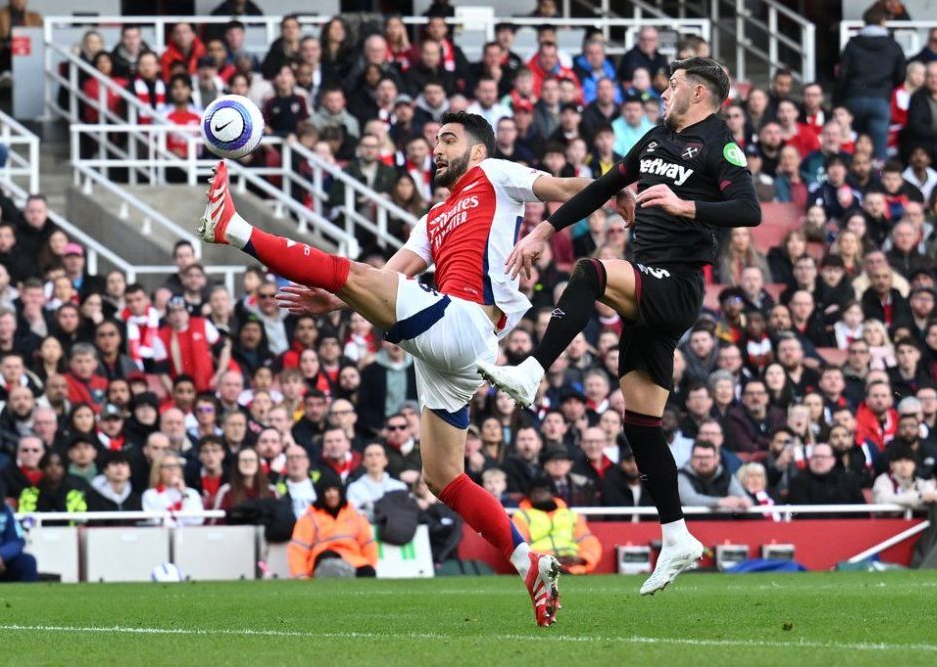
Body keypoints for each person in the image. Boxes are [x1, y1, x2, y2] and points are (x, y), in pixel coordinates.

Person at [200, 112, 630, 625]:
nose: (437, 149)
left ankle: (234, 228)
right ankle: (527, 560)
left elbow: (562, 187)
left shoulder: (494, 174)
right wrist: (338, 298)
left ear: (477, 151)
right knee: (442, 476)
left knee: (351, 273)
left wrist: (615, 189)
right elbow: (389, 275)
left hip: (467, 323)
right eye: (435, 141)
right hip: (451, 345)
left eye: (448, 139)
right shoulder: (433, 218)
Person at [478, 57, 761, 595]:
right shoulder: (654, 140)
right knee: (641, 426)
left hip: (677, 284)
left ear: (699, 93)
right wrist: (543, 232)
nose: (664, 92)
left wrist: (684, 206)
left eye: (673, 85)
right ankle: (677, 537)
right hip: (649, 287)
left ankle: (532, 372)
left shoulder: (719, 143)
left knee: (591, 271)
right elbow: (603, 187)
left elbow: (748, 210)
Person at [834, 8, 906, 161]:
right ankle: (880, 176)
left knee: (852, 146)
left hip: (853, 99)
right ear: (883, 22)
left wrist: (838, 101)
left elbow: (842, 75)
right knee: (879, 152)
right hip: (880, 100)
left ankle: (851, 173)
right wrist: (887, 87)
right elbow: (901, 75)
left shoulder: (852, 44)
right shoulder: (893, 45)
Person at [287, 473, 377, 579]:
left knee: (368, 572)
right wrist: (301, 576)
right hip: (324, 558)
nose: (332, 494)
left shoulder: (355, 516)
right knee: (328, 560)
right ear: (321, 494)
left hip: (353, 560)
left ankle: (346, 575)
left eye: (335, 489)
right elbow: (298, 550)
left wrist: (369, 565)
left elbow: (368, 544)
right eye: (327, 490)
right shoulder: (310, 518)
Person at [511, 475, 602, 575]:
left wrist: (582, 559)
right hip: (541, 569)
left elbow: (588, 541)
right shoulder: (522, 516)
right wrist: (548, 559)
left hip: (573, 567)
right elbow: (519, 548)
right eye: (535, 491)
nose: (539, 494)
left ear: (552, 493)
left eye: (543, 490)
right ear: (529, 495)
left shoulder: (570, 514)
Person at [872, 443, 937, 508]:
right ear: (891, 465)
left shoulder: (919, 482)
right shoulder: (883, 480)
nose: (903, 466)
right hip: (888, 522)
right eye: (899, 461)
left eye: (907, 461)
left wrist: (932, 497)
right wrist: (918, 498)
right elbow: (884, 500)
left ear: (914, 465)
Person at [346, 442, 408, 521]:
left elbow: (406, 512)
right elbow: (352, 513)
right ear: (363, 462)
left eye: (378, 455)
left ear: (385, 460)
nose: (374, 458)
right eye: (369, 455)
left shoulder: (399, 487)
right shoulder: (354, 488)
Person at [140, 451, 204, 527]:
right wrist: (178, 524)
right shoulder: (150, 495)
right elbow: (155, 521)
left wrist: (183, 493)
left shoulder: (192, 493)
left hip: (188, 533)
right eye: (167, 466)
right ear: (158, 470)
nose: (172, 469)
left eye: (175, 466)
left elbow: (197, 520)